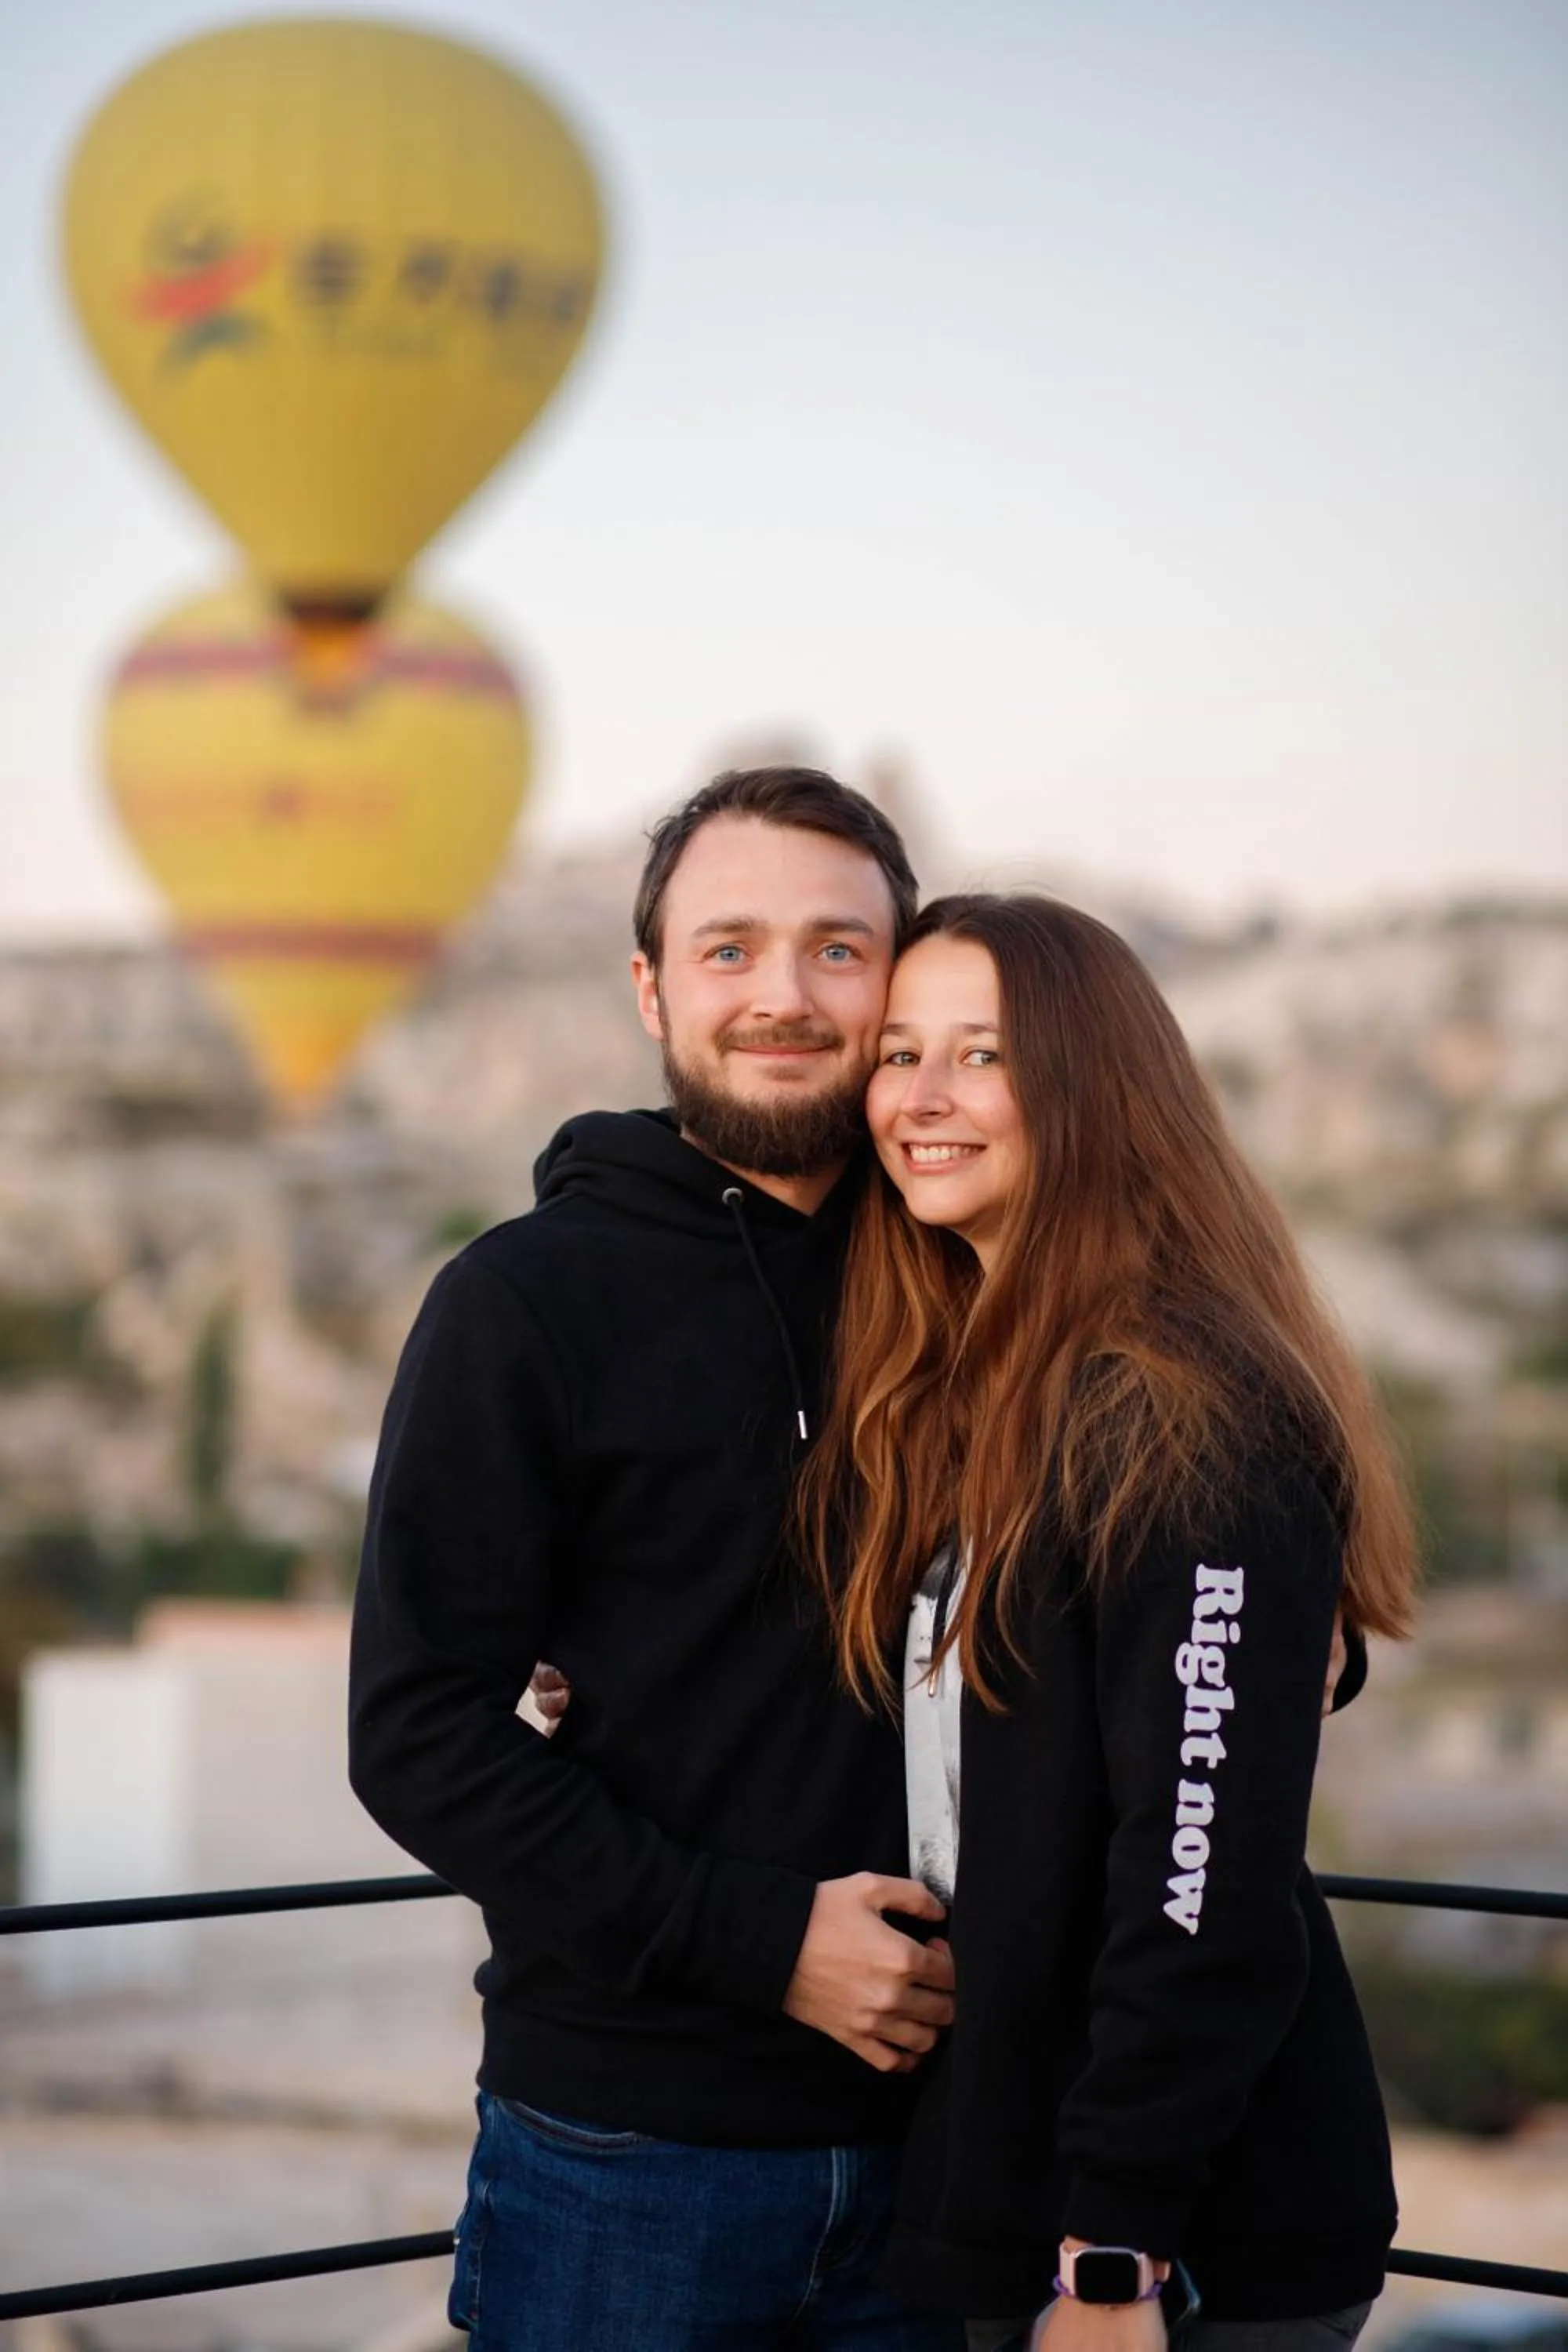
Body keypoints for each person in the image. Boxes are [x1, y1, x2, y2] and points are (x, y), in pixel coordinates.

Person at [348, 768, 966, 2350]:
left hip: (960, 2160)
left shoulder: (982, 1285)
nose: (783, 994)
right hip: (627, 2163)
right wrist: (766, 1949)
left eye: (839, 949)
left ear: (901, 974)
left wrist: (1311, 1634)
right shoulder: (522, 1303)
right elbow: (417, 1735)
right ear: (650, 988)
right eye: (728, 948)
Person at [797, 892, 1417, 2352]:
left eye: (983, 1055)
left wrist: (1114, 2256)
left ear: (1092, 1088)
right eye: (897, 1053)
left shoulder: (1183, 1405)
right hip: (1005, 2190)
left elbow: (1198, 1875)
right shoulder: (973, 1378)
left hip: (1180, 2247)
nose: (922, 1099)